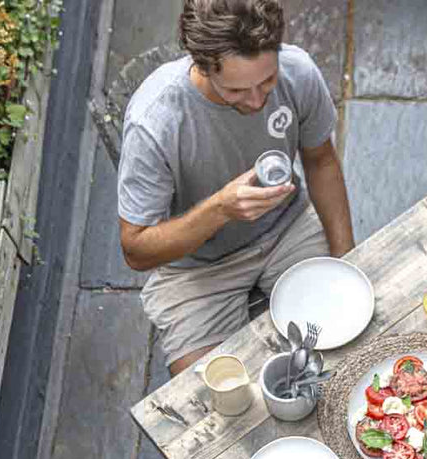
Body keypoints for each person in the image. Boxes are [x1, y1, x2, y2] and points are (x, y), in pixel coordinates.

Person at [118, 0, 353, 376]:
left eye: (267, 81)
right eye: (237, 90)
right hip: (196, 267)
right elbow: (135, 249)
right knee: (212, 395)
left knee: (349, 340)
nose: (258, 101)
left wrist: (346, 260)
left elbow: (321, 161)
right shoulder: (155, 122)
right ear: (202, 66)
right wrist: (221, 209)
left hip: (287, 229)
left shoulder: (298, 71)